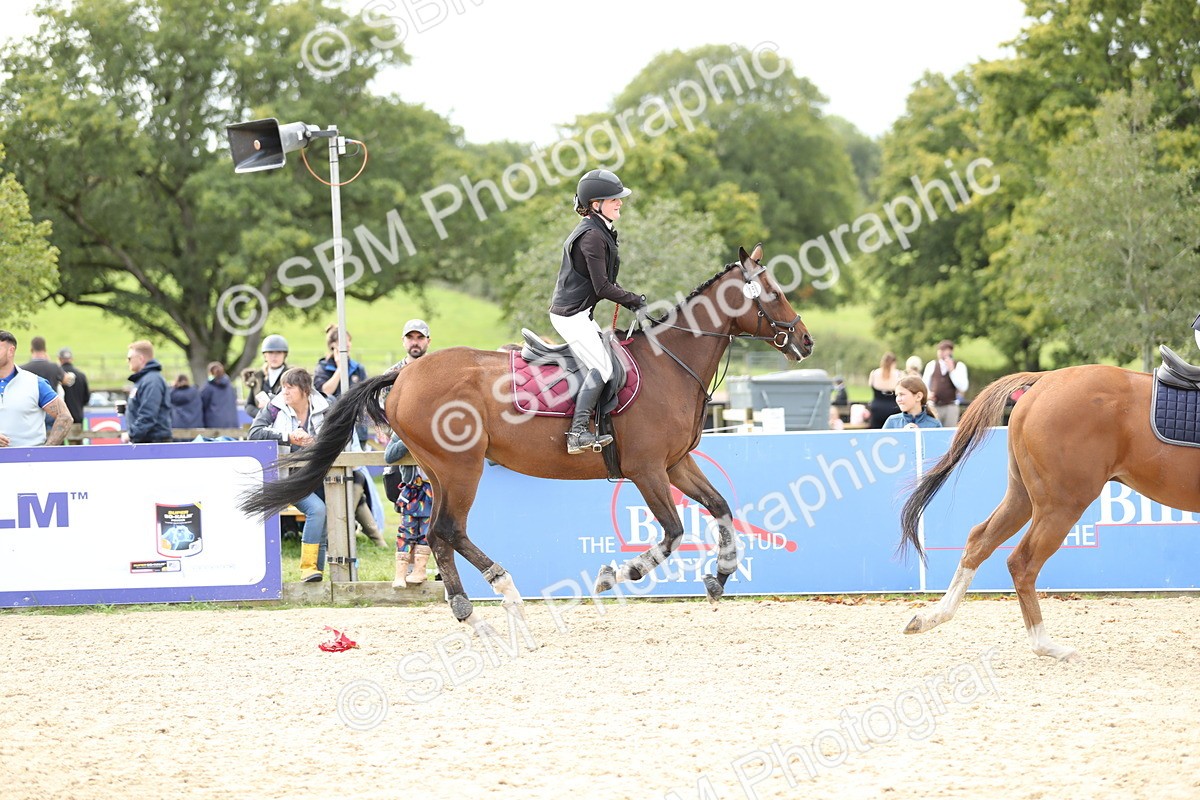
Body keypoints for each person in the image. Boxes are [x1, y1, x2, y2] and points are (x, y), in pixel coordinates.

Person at [548, 168, 647, 454]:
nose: (620, 203)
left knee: (612, 360)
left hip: (580, 314)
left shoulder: (600, 230)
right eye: (614, 199)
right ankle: (577, 433)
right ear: (595, 204)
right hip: (569, 316)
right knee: (602, 367)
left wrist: (632, 300)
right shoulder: (591, 236)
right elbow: (602, 287)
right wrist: (634, 300)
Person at [248, 368, 329, 582]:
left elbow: (338, 436)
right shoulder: (274, 407)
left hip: (319, 474)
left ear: (305, 390)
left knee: (324, 520)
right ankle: (308, 568)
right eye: (283, 387)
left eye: (289, 387)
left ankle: (315, 575)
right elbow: (254, 433)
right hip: (287, 476)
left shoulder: (326, 408)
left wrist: (316, 443)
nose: (284, 392)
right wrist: (288, 437)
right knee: (317, 510)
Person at [383, 318, 434, 587]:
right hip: (401, 445)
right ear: (404, 341)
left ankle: (422, 569)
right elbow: (381, 414)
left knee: (429, 516)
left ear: (427, 341)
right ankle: (407, 569)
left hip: (428, 449)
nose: (415, 342)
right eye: (410, 338)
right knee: (405, 512)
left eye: (420, 337)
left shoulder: (437, 371)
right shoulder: (392, 375)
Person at [0, 330, 72, 447]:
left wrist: (45, 451)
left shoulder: (35, 383)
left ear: (11, 351)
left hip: (28, 460)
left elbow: (65, 416)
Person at [124, 340, 172, 443]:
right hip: (148, 441)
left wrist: (131, 434)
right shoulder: (144, 380)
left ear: (141, 359)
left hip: (153, 443)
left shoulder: (152, 381)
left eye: (129, 358)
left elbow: (148, 414)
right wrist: (128, 409)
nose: (127, 361)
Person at [923, 340, 969, 427]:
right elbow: (924, 383)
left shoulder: (959, 366)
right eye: (940, 350)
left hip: (951, 405)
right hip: (934, 405)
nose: (941, 352)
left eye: (944, 350)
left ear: (950, 351)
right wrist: (928, 394)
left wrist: (952, 371)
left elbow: (963, 387)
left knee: (949, 433)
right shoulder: (931, 365)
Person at [242, 334, 290, 418]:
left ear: (284, 355)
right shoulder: (257, 377)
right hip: (261, 423)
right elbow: (249, 405)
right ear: (265, 355)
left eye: (278, 352)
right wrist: (262, 415)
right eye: (270, 352)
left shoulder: (291, 376)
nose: (274, 356)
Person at [315, 325, 367, 399]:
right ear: (333, 345)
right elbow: (325, 392)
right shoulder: (322, 367)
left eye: (349, 341)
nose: (348, 345)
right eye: (344, 342)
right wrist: (340, 368)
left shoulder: (357, 368)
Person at [866, 352, 901, 430]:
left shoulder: (874, 373)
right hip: (893, 407)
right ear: (894, 363)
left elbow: (870, 385)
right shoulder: (898, 374)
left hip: (877, 408)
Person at [200, 362, 240, 429]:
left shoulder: (208, 387)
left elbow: (202, 404)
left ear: (210, 373)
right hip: (232, 424)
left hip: (213, 424)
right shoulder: (230, 387)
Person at [58, 347, 90, 425]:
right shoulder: (81, 376)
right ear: (71, 359)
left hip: (61, 418)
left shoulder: (56, 375)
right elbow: (87, 398)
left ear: (59, 359)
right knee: (77, 437)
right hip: (78, 417)